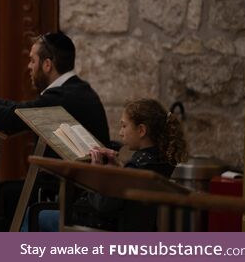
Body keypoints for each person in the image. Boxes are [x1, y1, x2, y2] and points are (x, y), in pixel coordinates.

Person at [0, 32, 111, 231]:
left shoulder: (62, 97)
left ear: (47, 64)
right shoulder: (74, 89)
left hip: (66, 193)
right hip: (64, 185)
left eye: (32, 60)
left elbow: (7, 119)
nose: (29, 66)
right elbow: (22, 110)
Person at [31, 98, 189, 232]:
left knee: (37, 212)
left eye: (124, 126)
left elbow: (102, 205)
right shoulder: (159, 160)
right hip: (133, 228)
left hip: (106, 227)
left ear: (141, 130)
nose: (121, 132)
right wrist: (119, 169)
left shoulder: (137, 166)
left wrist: (96, 172)